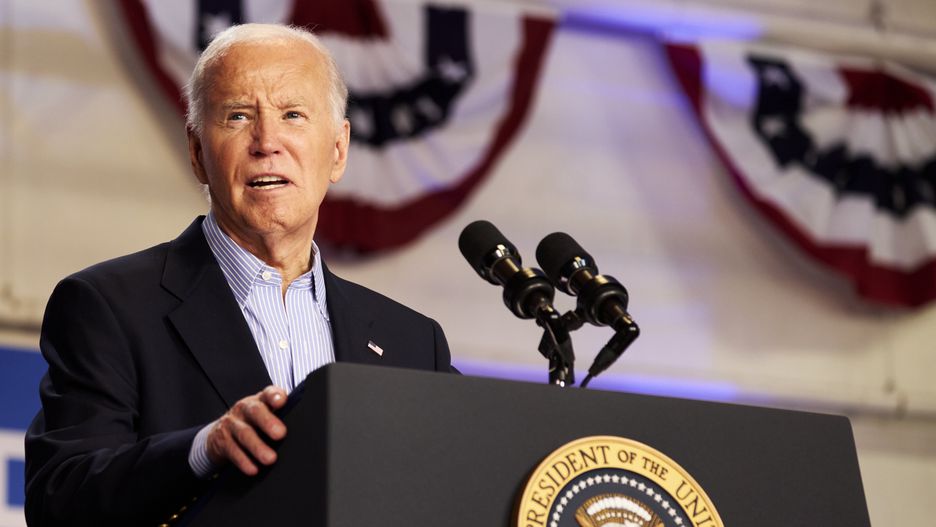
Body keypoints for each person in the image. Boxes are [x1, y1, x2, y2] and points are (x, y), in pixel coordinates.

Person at [24, 23, 456, 527]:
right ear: (196, 152)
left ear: (337, 150)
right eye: (237, 116)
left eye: (293, 115)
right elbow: (61, 497)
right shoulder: (109, 306)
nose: (266, 141)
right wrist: (202, 451)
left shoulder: (412, 342)